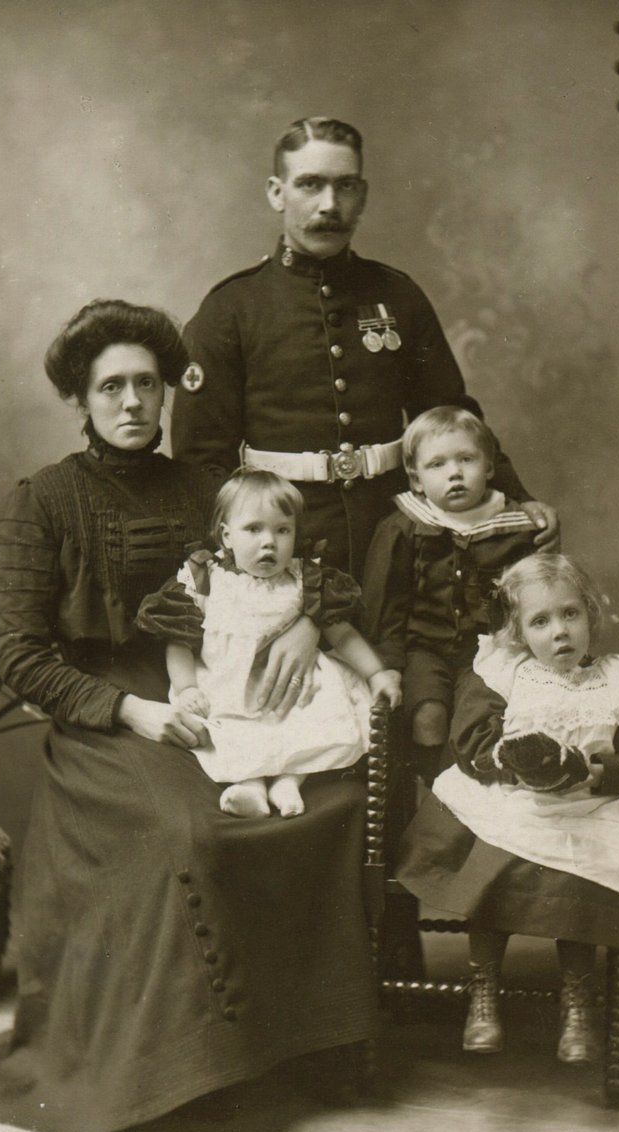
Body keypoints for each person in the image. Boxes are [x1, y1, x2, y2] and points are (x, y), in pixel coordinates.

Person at [0, 300, 379, 1132]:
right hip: (106, 714)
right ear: (83, 400)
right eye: (111, 388)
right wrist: (135, 710)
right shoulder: (42, 501)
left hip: (221, 689)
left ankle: (309, 1047)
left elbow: (306, 567)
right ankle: (192, 1069)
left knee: (334, 804)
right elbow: (20, 656)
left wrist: (309, 620)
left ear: (166, 393)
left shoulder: (210, 487)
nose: (132, 403)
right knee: (189, 835)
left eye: (146, 385)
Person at [170, 116, 559, 717]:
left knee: (407, 711)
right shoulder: (232, 310)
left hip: (398, 541)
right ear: (277, 192)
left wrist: (515, 498)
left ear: (364, 194)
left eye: (346, 186)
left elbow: (454, 420)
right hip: (285, 549)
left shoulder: (397, 296)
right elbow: (201, 462)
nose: (329, 204)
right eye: (309, 185)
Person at [397, 554, 619, 1064]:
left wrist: (595, 773)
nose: (560, 633)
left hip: (592, 806)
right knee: (496, 856)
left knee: (583, 874)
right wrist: (517, 763)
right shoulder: (503, 673)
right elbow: (473, 740)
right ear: (517, 631)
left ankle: (577, 1001)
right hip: (513, 799)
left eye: (571, 614)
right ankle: (483, 989)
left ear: (592, 615)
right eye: (540, 621)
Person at [136, 468, 401, 819]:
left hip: (298, 689)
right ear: (226, 536)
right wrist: (185, 687)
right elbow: (179, 640)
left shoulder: (305, 578)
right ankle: (251, 787)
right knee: (236, 731)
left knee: (318, 721)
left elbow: (343, 633)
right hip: (231, 686)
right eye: (253, 529)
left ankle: (290, 781)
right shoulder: (205, 579)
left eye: (282, 530)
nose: (269, 542)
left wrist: (376, 673)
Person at [362, 406, 539, 786]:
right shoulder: (403, 527)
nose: (454, 473)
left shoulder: (514, 528)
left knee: (479, 719)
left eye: (466, 459)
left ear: (490, 467)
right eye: (437, 465)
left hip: (492, 651)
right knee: (427, 715)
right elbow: (386, 605)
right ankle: (434, 791)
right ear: (417, 479)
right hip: (424, 648)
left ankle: (466, 797)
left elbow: (535, 601)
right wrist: (389, 663)